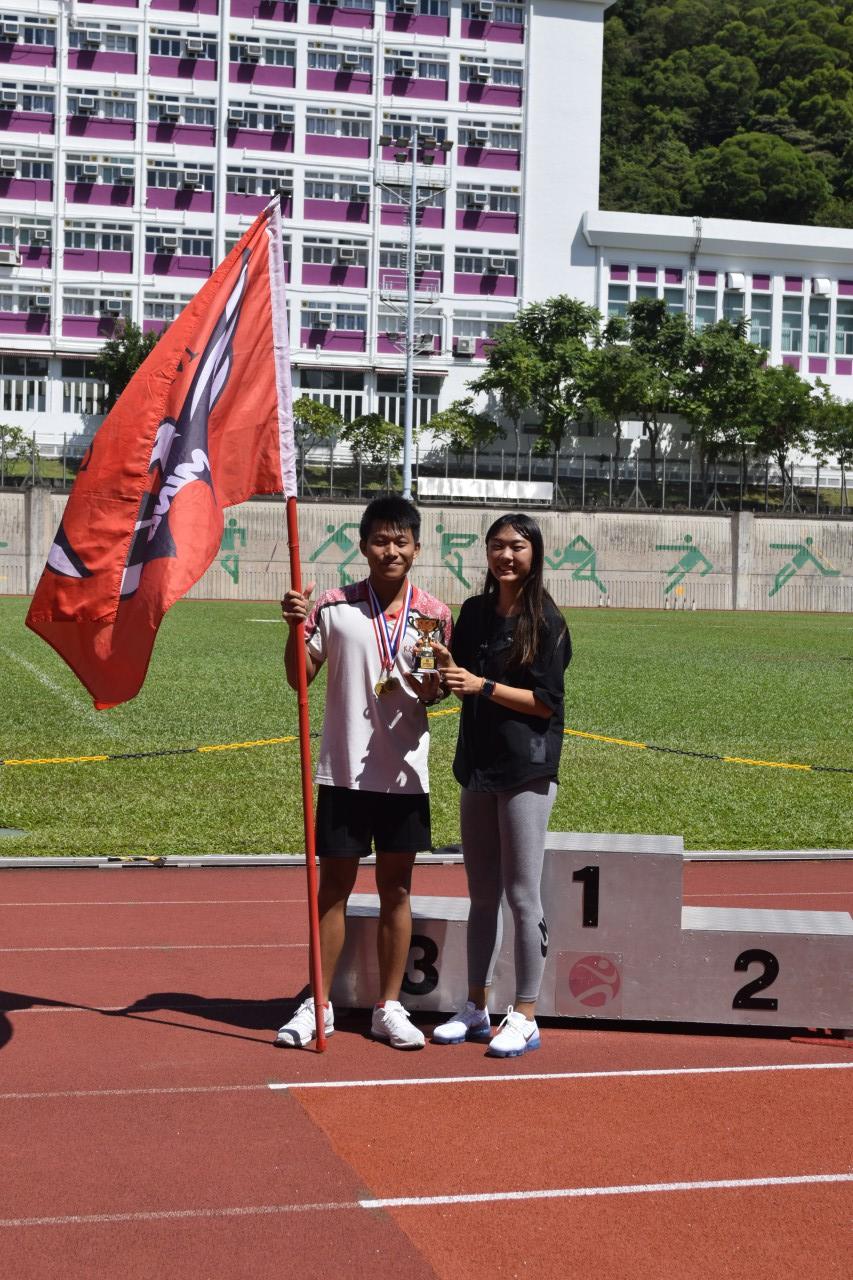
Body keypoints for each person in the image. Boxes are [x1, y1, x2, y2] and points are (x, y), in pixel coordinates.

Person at [275, 496, 451, 1051]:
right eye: (380, 540)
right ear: (363, 545)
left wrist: (434, 685)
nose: (390, 550)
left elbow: (433, 692)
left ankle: (389, 1006)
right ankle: (319, 1003)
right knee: (333, 891)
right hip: (344, 772)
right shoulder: (332, 605)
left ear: (417, 548)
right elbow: (299, 678)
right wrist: (293, 627)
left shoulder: (434, 613)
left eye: (401, 541)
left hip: (404, 776)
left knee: (397, 890)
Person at [431, 513, 571, 1057]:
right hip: (477, 766)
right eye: (496, 546)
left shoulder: (547, 621)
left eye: (517, 546)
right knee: (481, 895)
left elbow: (544, 703)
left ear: (535, 554)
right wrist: (444, 667)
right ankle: (475, 1006)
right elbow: (460, 680)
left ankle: (527, 1014)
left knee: (521, 894)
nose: (505, 556)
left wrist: (482, 685)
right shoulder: (473, 612)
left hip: (526, 769)